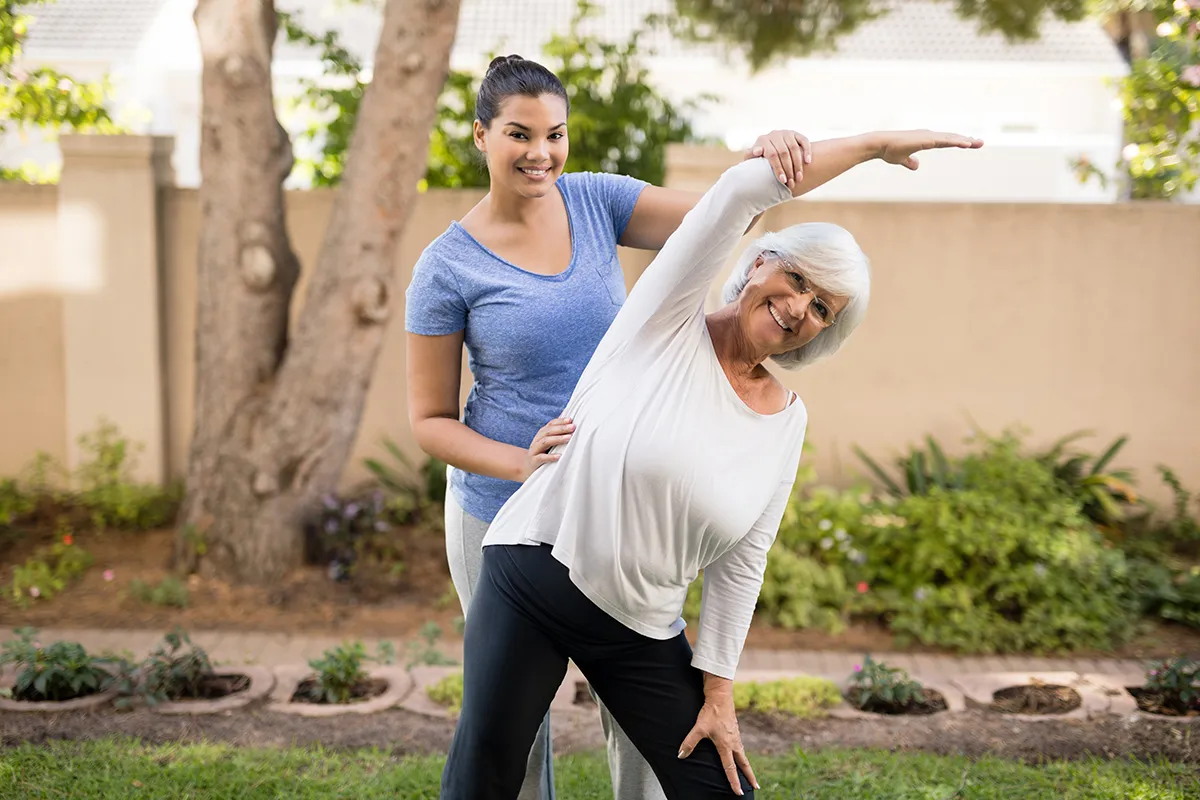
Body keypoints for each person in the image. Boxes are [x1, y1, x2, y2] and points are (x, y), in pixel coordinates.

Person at [437, 128, 983, 799]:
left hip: (636, 625)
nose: (797, 309)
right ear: (759, 263)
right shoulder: (664, 320)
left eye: (821, 310)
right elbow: (740, 194)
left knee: (721, 789)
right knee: (486, 776)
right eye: (798, 279)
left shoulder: (786, 419)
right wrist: (872, 145)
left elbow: (743, 561)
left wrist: (718, 691)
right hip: (533, 575)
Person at [405, 54, 815, 800]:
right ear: (479, 135)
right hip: (498, 515)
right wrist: (518, 462)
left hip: (620, 515)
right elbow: (429, 420)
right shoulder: (445, 268)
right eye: (518, 134)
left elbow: (730, 215)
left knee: (641, 733)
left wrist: (767, 156)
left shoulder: (596, 203)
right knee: (513, 739)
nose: (540, 153)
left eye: (555, 134)